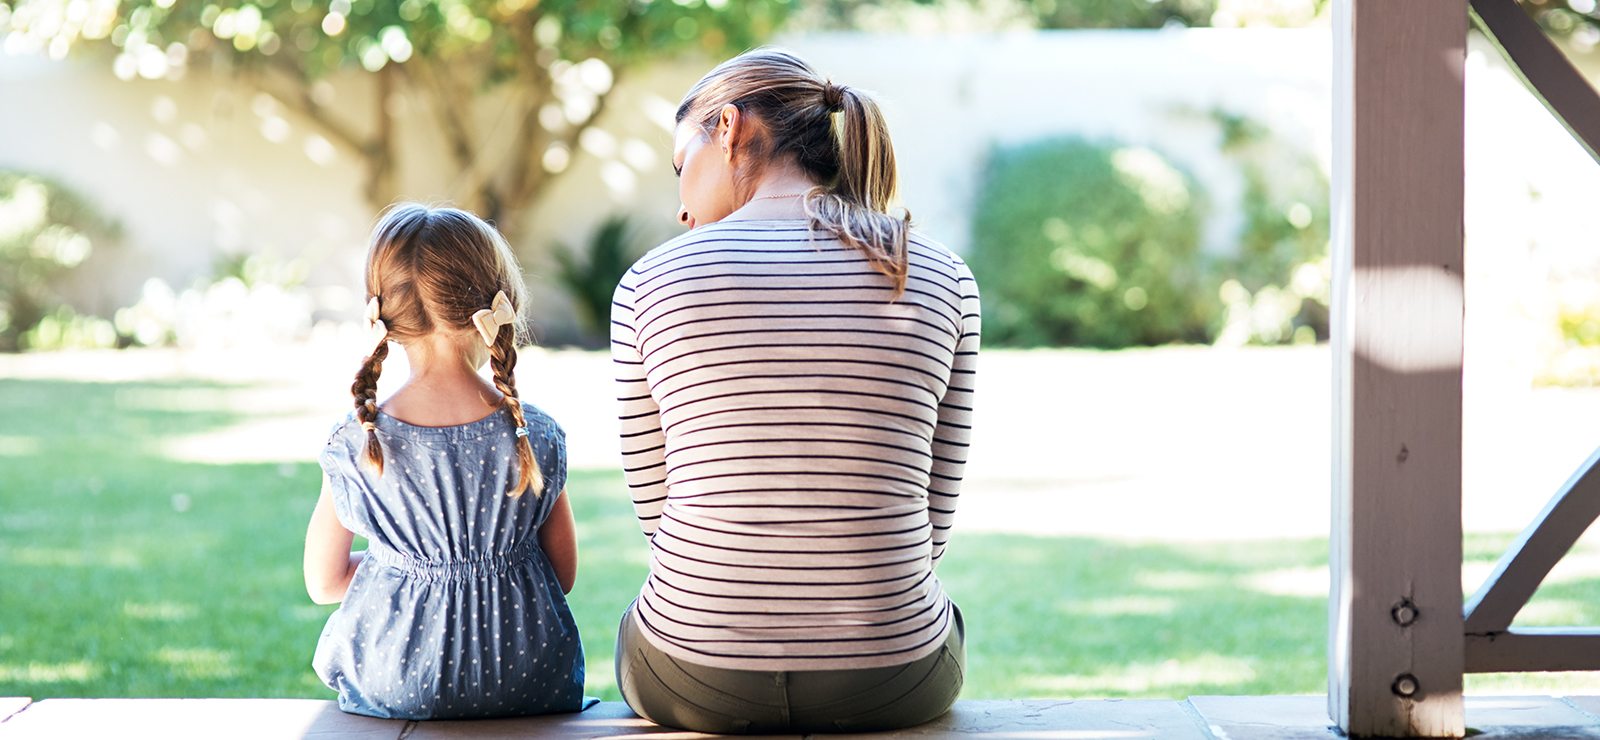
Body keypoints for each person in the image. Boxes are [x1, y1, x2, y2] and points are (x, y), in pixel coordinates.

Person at [610, 48, 981, 734]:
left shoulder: (649, 282)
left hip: (694, 675)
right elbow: (932, 520)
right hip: (893, 676)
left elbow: (659, 517)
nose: (681, 205)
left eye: (679, 165)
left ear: (727, 128)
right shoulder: (940, 274)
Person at [303, 203, 595, 720]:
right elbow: (563, 573)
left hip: (397, 683)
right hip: (525, 681)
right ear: (496, 302)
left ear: (383, 316)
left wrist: (406, 569)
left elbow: (323, 583)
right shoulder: (537, 434)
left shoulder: (359, 440)